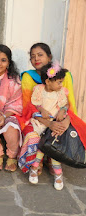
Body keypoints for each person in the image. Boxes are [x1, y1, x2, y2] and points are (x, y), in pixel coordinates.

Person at [18, 43, 77, 175]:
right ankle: (35, 160)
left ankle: (53, 158)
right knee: (33, 132)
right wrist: (49, 123)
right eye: (32, 57)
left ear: (49, 57)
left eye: (40, 55)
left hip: (61, 116)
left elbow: (70, 103)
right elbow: (29, 106)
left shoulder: (64, 76)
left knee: (60, 130)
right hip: (38, 118)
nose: (36, 59)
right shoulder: (28, 77)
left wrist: (64, 122)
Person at [27, 62, 72, 190]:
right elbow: (35, 103)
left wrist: (63, 110)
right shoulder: (39, 89)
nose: (61, 85)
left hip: (55, 120)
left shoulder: (61, 92)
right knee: (47, 141)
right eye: (58, 82)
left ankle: (35, 166)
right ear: (47, 81)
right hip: (42, 121)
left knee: (51, 141)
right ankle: (57, 172)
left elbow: (66, 104)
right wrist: (41, 110)